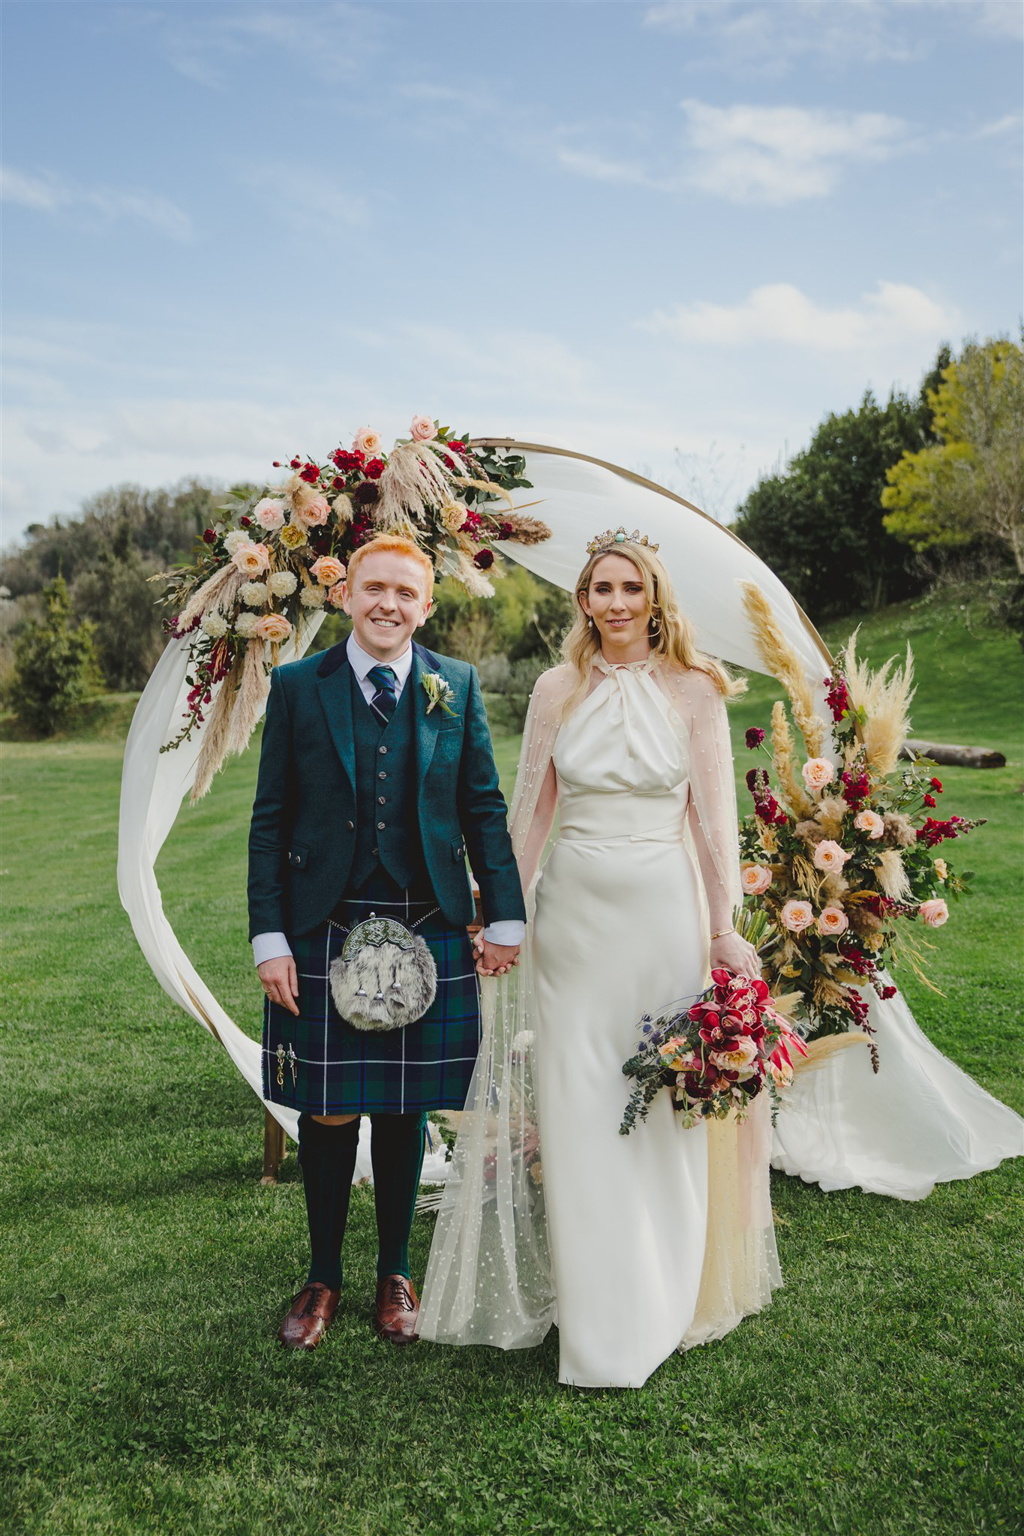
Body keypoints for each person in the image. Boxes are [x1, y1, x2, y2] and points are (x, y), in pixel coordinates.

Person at [420, 529, 781, 1387]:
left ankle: (663, 1289)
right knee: (580, 1104)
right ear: (582, 600)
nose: (616, 602)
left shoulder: (696, 692)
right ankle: (593, 1311)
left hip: (662, 915)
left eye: (630, 587)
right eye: (600, 589)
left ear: (654, 597)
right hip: (572, 919)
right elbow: (529, 816)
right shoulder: (556, 688)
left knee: (654, 1097)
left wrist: (723, 927)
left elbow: (712, 823)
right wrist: (504, 915)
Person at [249, 534, 526, 1350]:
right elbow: (269, 823)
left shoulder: (457, 685)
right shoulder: (300, 686)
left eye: (406, 594)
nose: (388, 605)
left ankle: (395, 1275)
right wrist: (270, 935)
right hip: (320, 923)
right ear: (345, 594)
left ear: (427, 606)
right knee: (328, 1108)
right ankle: (323, 1275)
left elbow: (483, 808)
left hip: (429, 922)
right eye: (374, 588)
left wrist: (503, 915)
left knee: (405, 1107)